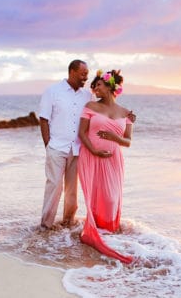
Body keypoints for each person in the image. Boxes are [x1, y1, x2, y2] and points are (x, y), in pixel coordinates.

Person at [77, 69, 133, 264]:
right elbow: (82, 133)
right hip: (91, 157)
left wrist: (114, 137)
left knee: (110, 198)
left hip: (113, 160)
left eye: (98, 85)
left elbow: (127, 142)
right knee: (94, 196)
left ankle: (108, 235)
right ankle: (92, 233)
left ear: (110, 86)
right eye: (94, 86)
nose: (95, 88)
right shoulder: (90, 106)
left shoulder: (126, 113)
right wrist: (94, 150)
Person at [38, 59, 92, 230]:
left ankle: (68, 222)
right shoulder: (53, 91)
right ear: (72, 71)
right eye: (83, 73)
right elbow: (44, 119)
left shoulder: (87, 95)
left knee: (72, 189)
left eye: (87, 74)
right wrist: (48, 145)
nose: (86, 77)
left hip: (77, 149)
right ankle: (46, 224)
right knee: (54, 186)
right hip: (56, 147)